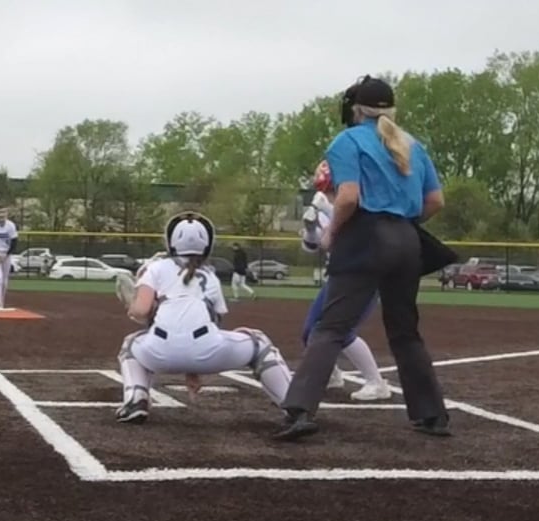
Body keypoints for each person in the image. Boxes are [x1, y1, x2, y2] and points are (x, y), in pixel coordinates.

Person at [276, 75, 449, 441]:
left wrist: (332, 232)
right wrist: (401, 223)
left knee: (330, 327)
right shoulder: (412, 145)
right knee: (405, 331)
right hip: (408, 241)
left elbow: (349, 197)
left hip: (365, 236)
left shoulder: (348, 141)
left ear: (355, 109)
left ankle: (299, 411)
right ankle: (432, 414)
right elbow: (435, 201)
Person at [113, 212, 294, 424]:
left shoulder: (156, 268)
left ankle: (136, 399)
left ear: (171, 242)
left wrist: (131, 306)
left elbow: (141, 311)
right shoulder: (210, 275)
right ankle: (294, 405)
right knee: (259, 343)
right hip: (209, 351)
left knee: (130, 344)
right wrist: (194, 369)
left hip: (159, 354)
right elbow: (211, 323)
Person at [297, 161, 393, 401]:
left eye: (331, 189)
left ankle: (376, 383)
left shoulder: (362, 204)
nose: (328, 194)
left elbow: (356, 232)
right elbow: (313, 247)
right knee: (310, 332)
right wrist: (310, 228)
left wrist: (328, 210)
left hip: (364, 274)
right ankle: (331, 373)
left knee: (342, 329)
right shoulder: (326, 208)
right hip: (339, 275)